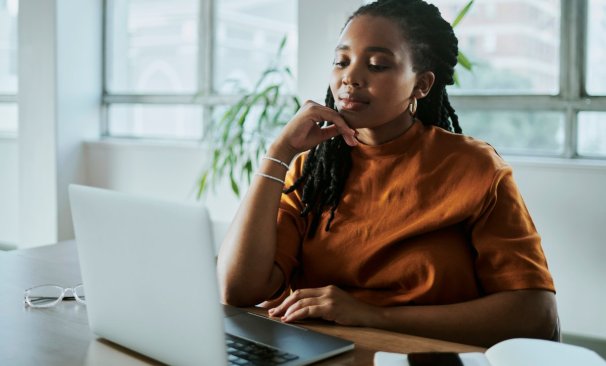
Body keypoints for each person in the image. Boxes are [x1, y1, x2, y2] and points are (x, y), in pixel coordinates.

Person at [217, 0, 558, 348]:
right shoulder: (313, 170)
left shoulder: (474, 167)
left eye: (377, 65)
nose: (350, 77)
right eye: (341, 61)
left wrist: (370, 314)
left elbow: (536, 316)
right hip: (322, 353)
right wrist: (279, 154)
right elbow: (238, 290)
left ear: (421, 85)